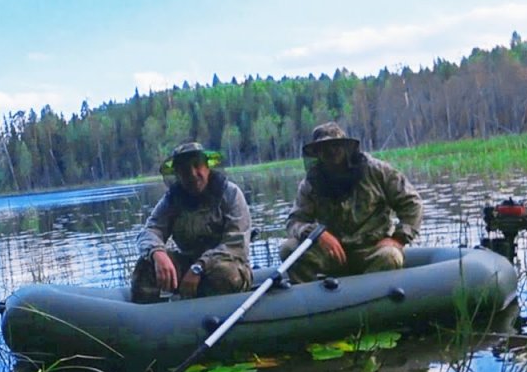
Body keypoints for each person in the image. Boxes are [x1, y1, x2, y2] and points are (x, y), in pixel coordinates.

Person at [279, 122, 423, 284]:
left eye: (336, 146)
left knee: (390, 256)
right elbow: (294, 221)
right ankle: (315, 303)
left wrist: (398, 238)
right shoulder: (311, 183)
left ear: (347, 147)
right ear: (317, 153)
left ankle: (373, 303)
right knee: (289, 249)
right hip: (333, 254)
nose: (331, 151)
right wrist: (317, 233)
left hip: (372, 250)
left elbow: (412, 202)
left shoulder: (376, 171)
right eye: (324, 148)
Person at [130, 142, 253, 303]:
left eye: (197, 165)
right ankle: (153, 319)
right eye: (185, 170)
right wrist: (157, 252)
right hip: (188, 264)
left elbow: (235, 245)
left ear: (207, 167)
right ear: (178, 175)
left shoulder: (230, 194)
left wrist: (200, 266)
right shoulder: (172, 200)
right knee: (146, 265)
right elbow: (150, 230)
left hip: (229, 265)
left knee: (223, 273)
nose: (193, 174)